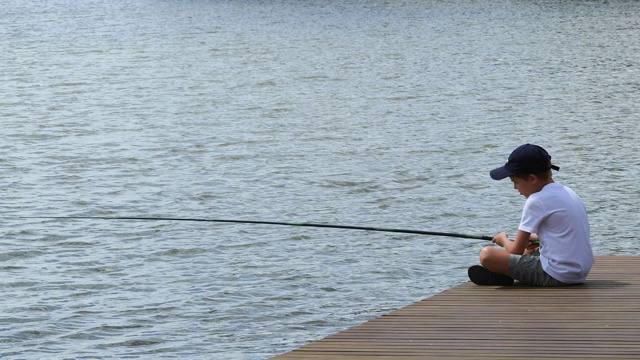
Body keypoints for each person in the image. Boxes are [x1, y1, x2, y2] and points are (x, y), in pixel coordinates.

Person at [468, 144, 594, 286]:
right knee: (532, 248)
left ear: (532, 179)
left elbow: (516, 251)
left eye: (515, 182)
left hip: (557, 275)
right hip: (579, 272)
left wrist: (503, 239)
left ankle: (502, 272)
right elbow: (565, 233)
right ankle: (503, 273)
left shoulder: (536, 200)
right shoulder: (567, 192)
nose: (515, 188)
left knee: (487, 255)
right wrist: (534, 238)